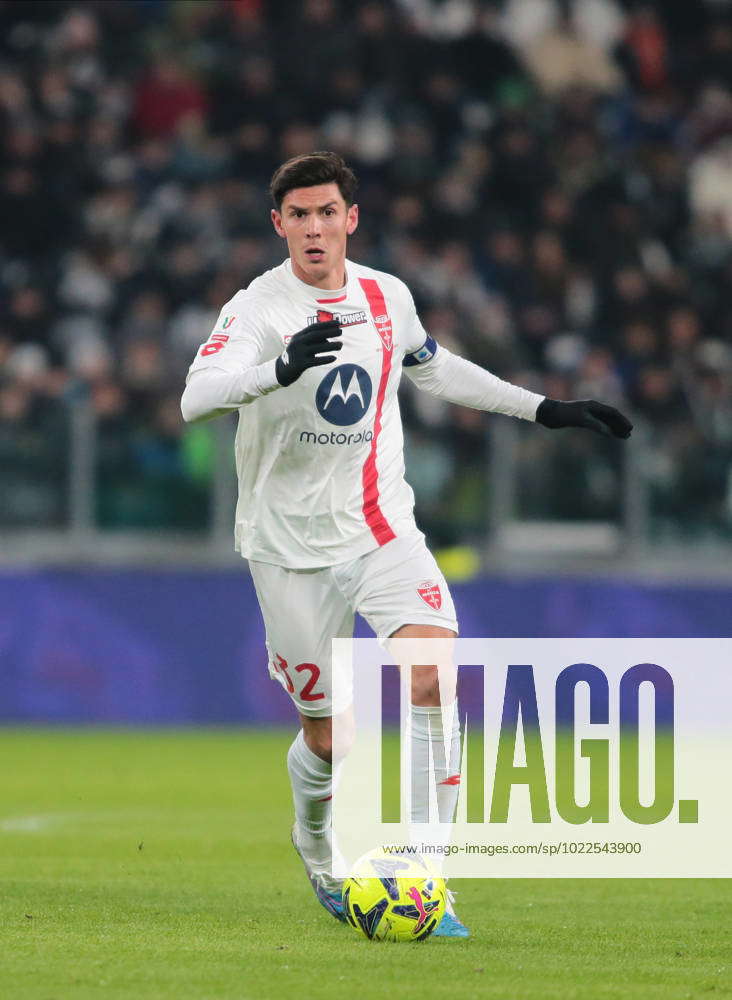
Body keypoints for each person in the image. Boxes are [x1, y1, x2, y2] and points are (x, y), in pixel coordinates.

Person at [180, 151, 632, 939]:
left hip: (383, 529)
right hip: (286, 549)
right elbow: (195, 398)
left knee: (432, 678)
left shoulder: (388, 297)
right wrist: (276, 371)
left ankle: (429, 875)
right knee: (327, 736)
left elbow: (435, 370)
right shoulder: (256, 309)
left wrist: (544, 410)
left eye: (328, 212)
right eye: (299, 215)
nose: (315, 227)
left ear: (351, 220)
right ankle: (318, 850)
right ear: (278, 224)